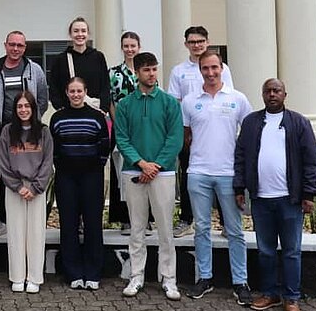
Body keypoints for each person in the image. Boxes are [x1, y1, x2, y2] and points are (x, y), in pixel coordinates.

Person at [234, 79, 316, 311]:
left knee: (291, 251)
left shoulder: (299, 123)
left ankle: (292, 297)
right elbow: (241, 156)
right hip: (261, 199)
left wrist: (309, 193)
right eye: (268, 91)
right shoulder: (251, 122)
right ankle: (270, 294)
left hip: (289, 199)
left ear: (284, 94)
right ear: (262, 95)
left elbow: (311, 161)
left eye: (276, 91)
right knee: (266, 251)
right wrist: (239, 188)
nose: (272, 94)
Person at [180, 51, 252, 305]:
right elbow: (186, 137)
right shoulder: (189, 101)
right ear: (200, 70)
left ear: (222, 68)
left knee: (234, 230)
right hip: (198, 173)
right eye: (205, 69)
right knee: (201, 229)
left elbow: (250, 133)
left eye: (214, 68)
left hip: (228, 174)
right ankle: (205, 278)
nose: (210, 73)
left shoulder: (238, 99)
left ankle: (240, 281)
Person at [115, 52, 183, 301]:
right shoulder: (124, 105)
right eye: (146, 70)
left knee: (165, 229)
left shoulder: (169, 103)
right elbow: (122, 138)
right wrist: (141, 164)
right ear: (137, 73)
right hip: (134, 171)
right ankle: (136, 276)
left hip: (162, 174)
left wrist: (155, 166)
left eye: (154, 69)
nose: (152, 74)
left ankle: (169, 278)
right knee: (136, 228)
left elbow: (175, 139)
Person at [167, 26, 233, 238]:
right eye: (192, 42)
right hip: (190, 134)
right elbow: (175, 103)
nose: (197, 45)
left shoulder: (223, 68)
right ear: (186, 44)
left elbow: (228, 97)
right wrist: (184, 132)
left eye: (200, 41)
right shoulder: (179, 71)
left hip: (218, 133)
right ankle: (187, 219)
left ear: (207, 41)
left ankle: (226, 222)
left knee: (223, 178)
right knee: (188, 176)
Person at [50, 77, 112, 290]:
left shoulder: (97, 117)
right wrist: (65, 167)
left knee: (93, 225)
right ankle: (73, 273)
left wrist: (94, 167)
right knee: (68, 225)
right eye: (72, 91)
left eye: (79, 91)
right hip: (66, 177)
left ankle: (93, 273)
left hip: (91, 177)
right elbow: (54, 149)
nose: (75, 95)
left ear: (85, 92)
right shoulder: (57, 118)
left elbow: (105, 145)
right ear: (66, 93)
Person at [0, 30, 49, 236]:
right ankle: (3, 219)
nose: (15, 49)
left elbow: (41, 98)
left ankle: (30, 216)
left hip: (28, 127)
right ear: (5, 45)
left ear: (25, 47)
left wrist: (29, 117)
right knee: (5, 170)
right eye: (12, 44)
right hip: (4, 128)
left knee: (28, 170)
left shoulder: (34, 69)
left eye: (19, 45)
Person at [0, 91, 54, 294]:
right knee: (16, 233)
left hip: (36, 189)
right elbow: (3, 162)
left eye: (27, 106)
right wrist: (17, 186)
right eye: (19, 106)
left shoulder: (44, 132)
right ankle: (18, 276)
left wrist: (36, 187)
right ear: (15, 109)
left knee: (36, 233)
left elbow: (48, 162)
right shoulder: (7, 132)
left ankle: (34, 277)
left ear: (33, 108)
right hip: (15, 189)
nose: (23, 110)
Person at [107, 31, 141, 230]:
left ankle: (144, 218)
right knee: (122, 173)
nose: (130, 49)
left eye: (133, 45)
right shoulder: (114, 73)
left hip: (142, 129)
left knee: (143, 170)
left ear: (139, 46)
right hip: (121, 128)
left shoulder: (146, 70)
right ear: (122, 48)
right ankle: (125, 218)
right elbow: (111, 100)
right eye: (126, 46)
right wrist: (118, 122)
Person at [49, 17, 111, 113]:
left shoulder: (98, 57)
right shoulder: (60, 60)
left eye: (83, 31)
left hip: (95, 112)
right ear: (70, 34)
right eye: (76, 31)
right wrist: (60, 107)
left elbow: (105, 85)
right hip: (68, 113)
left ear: (88, 34)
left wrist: (104, 108)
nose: (80, 34)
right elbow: (54, 87)